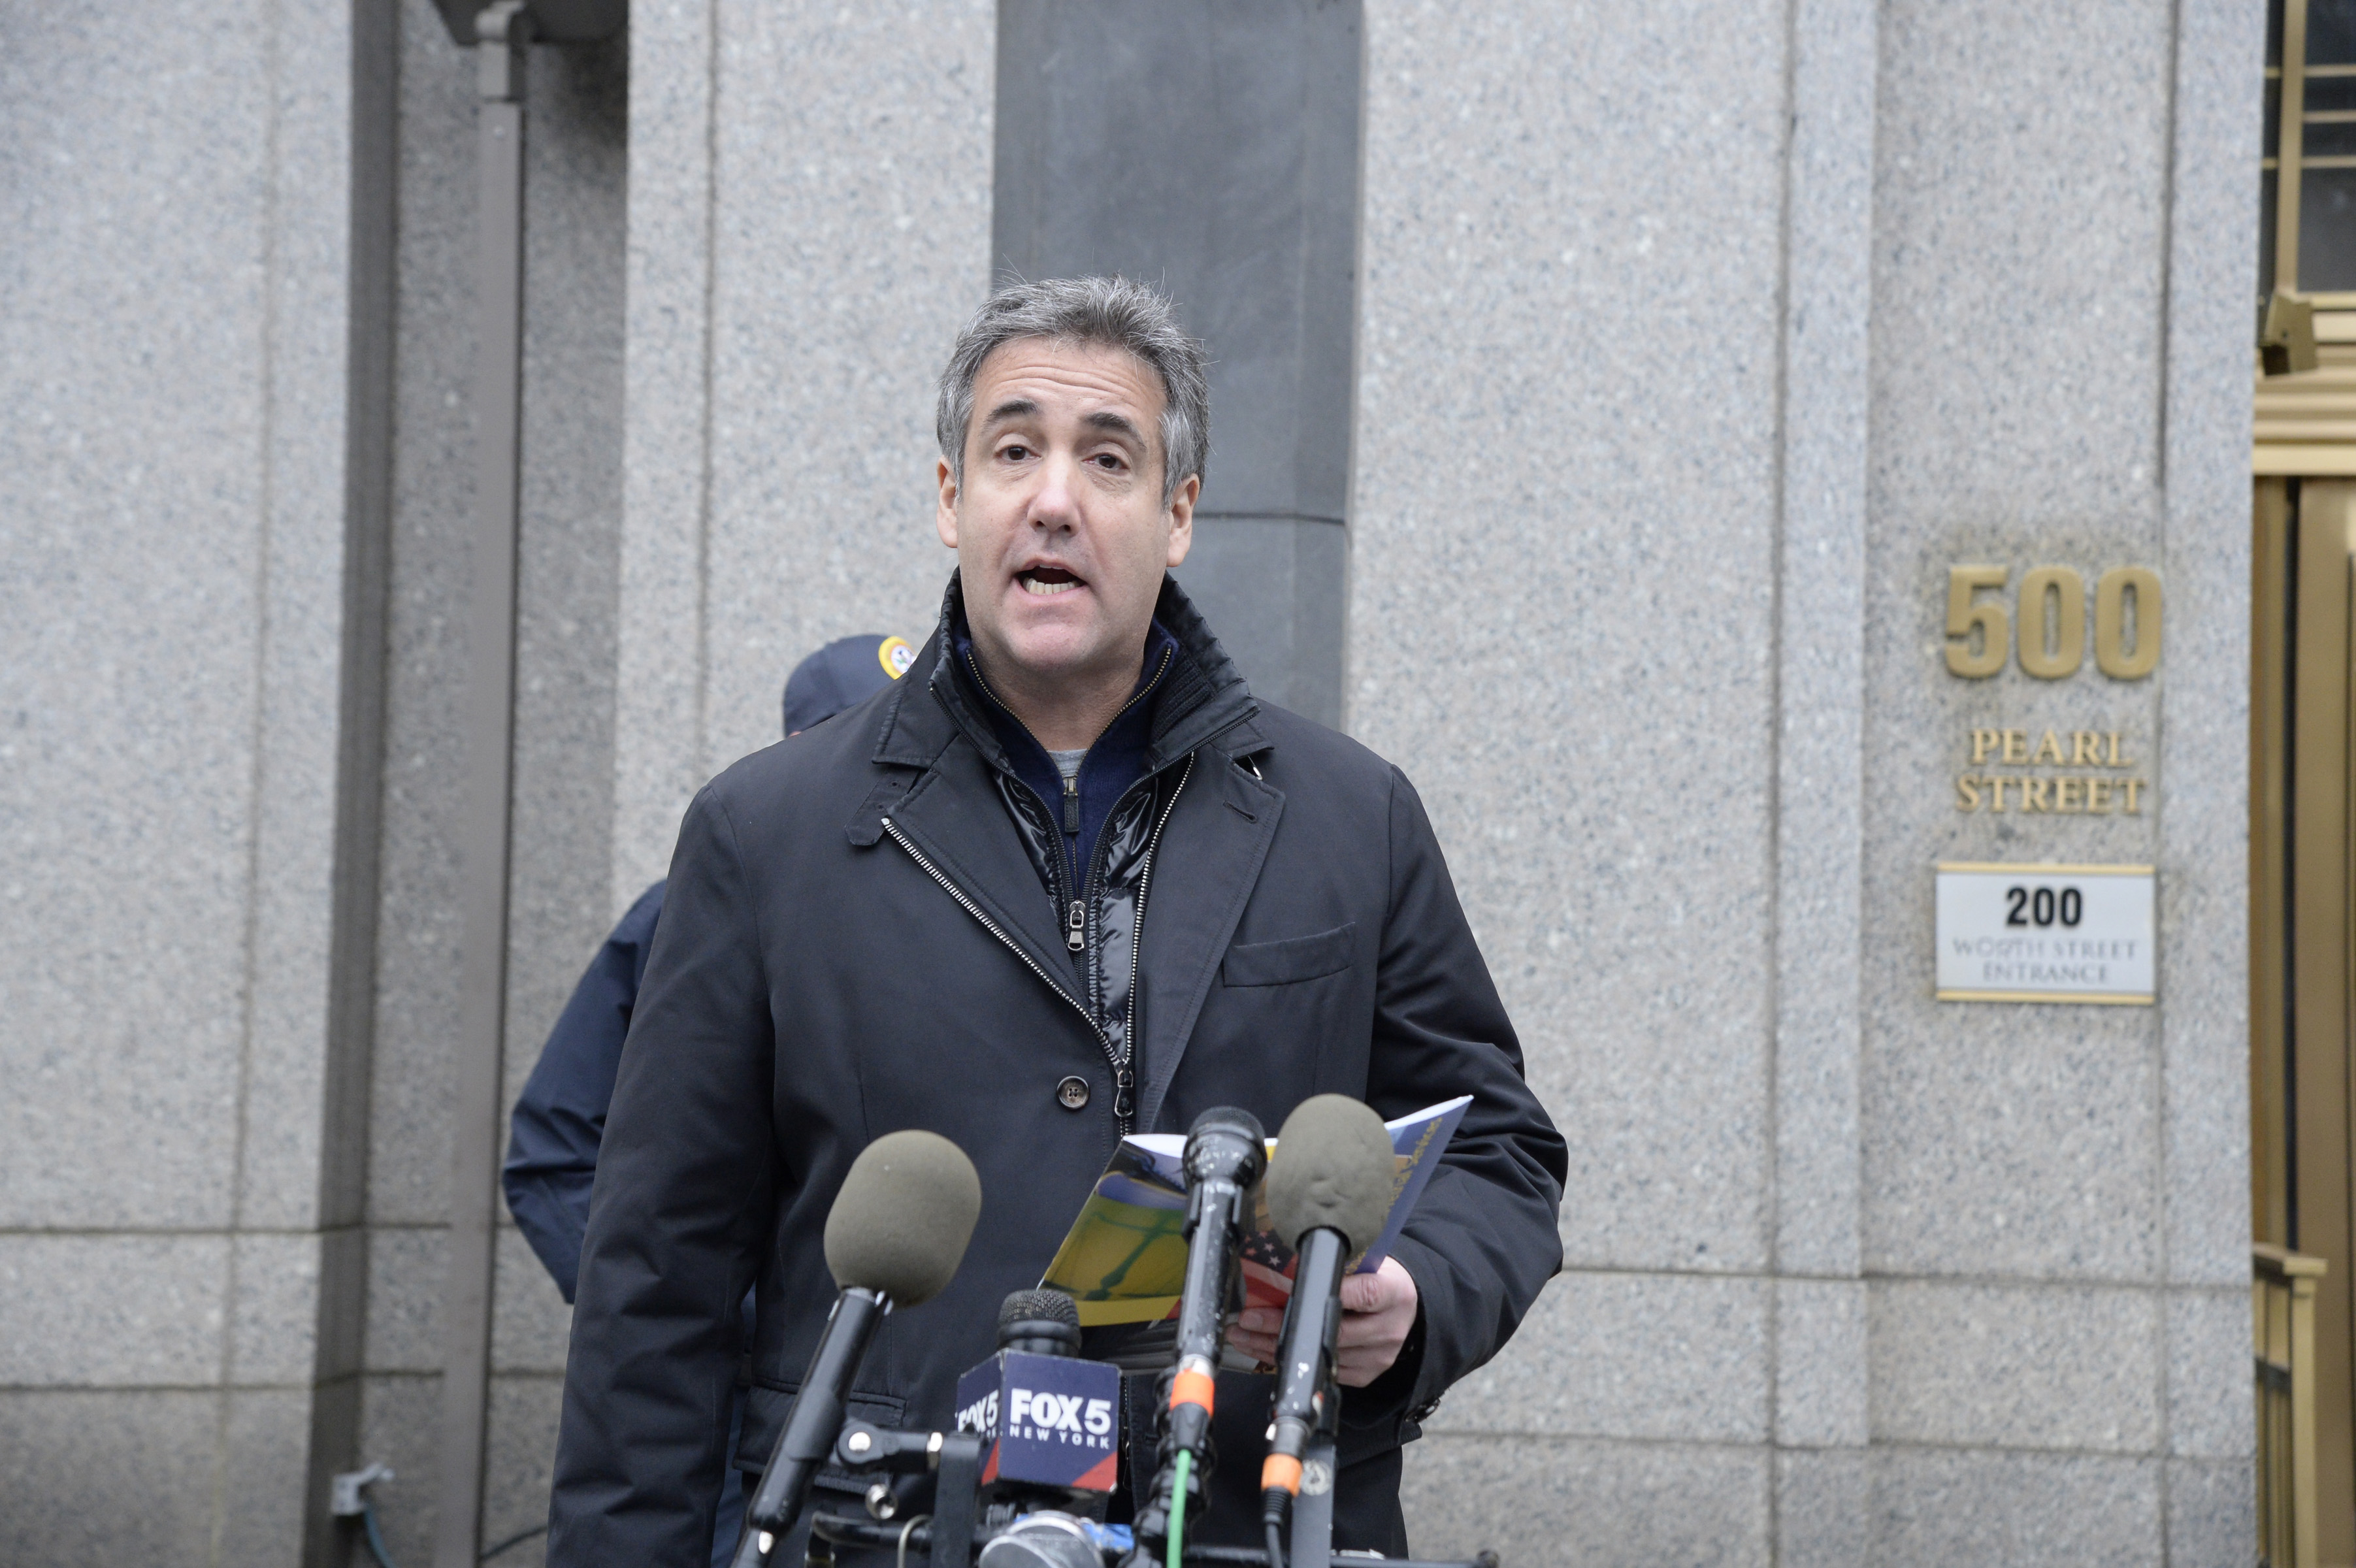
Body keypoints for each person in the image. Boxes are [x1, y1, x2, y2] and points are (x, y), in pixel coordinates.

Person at [547, 277, 1566, 1566]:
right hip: (888, 1530)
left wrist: (1417, 1300)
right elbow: (655, 1283)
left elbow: (1500, 1151)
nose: (1054, 498)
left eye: (1109, 459)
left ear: (1179, 515)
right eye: (1013, 450)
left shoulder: (1350, 817)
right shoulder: (768, 833)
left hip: (1253, 1517)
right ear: (949, 499)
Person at [505, 633, 908, 1568]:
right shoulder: (698, 906)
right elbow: (552, 1156)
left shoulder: (949, 917)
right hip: (739, 1417)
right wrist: (711, 1319)